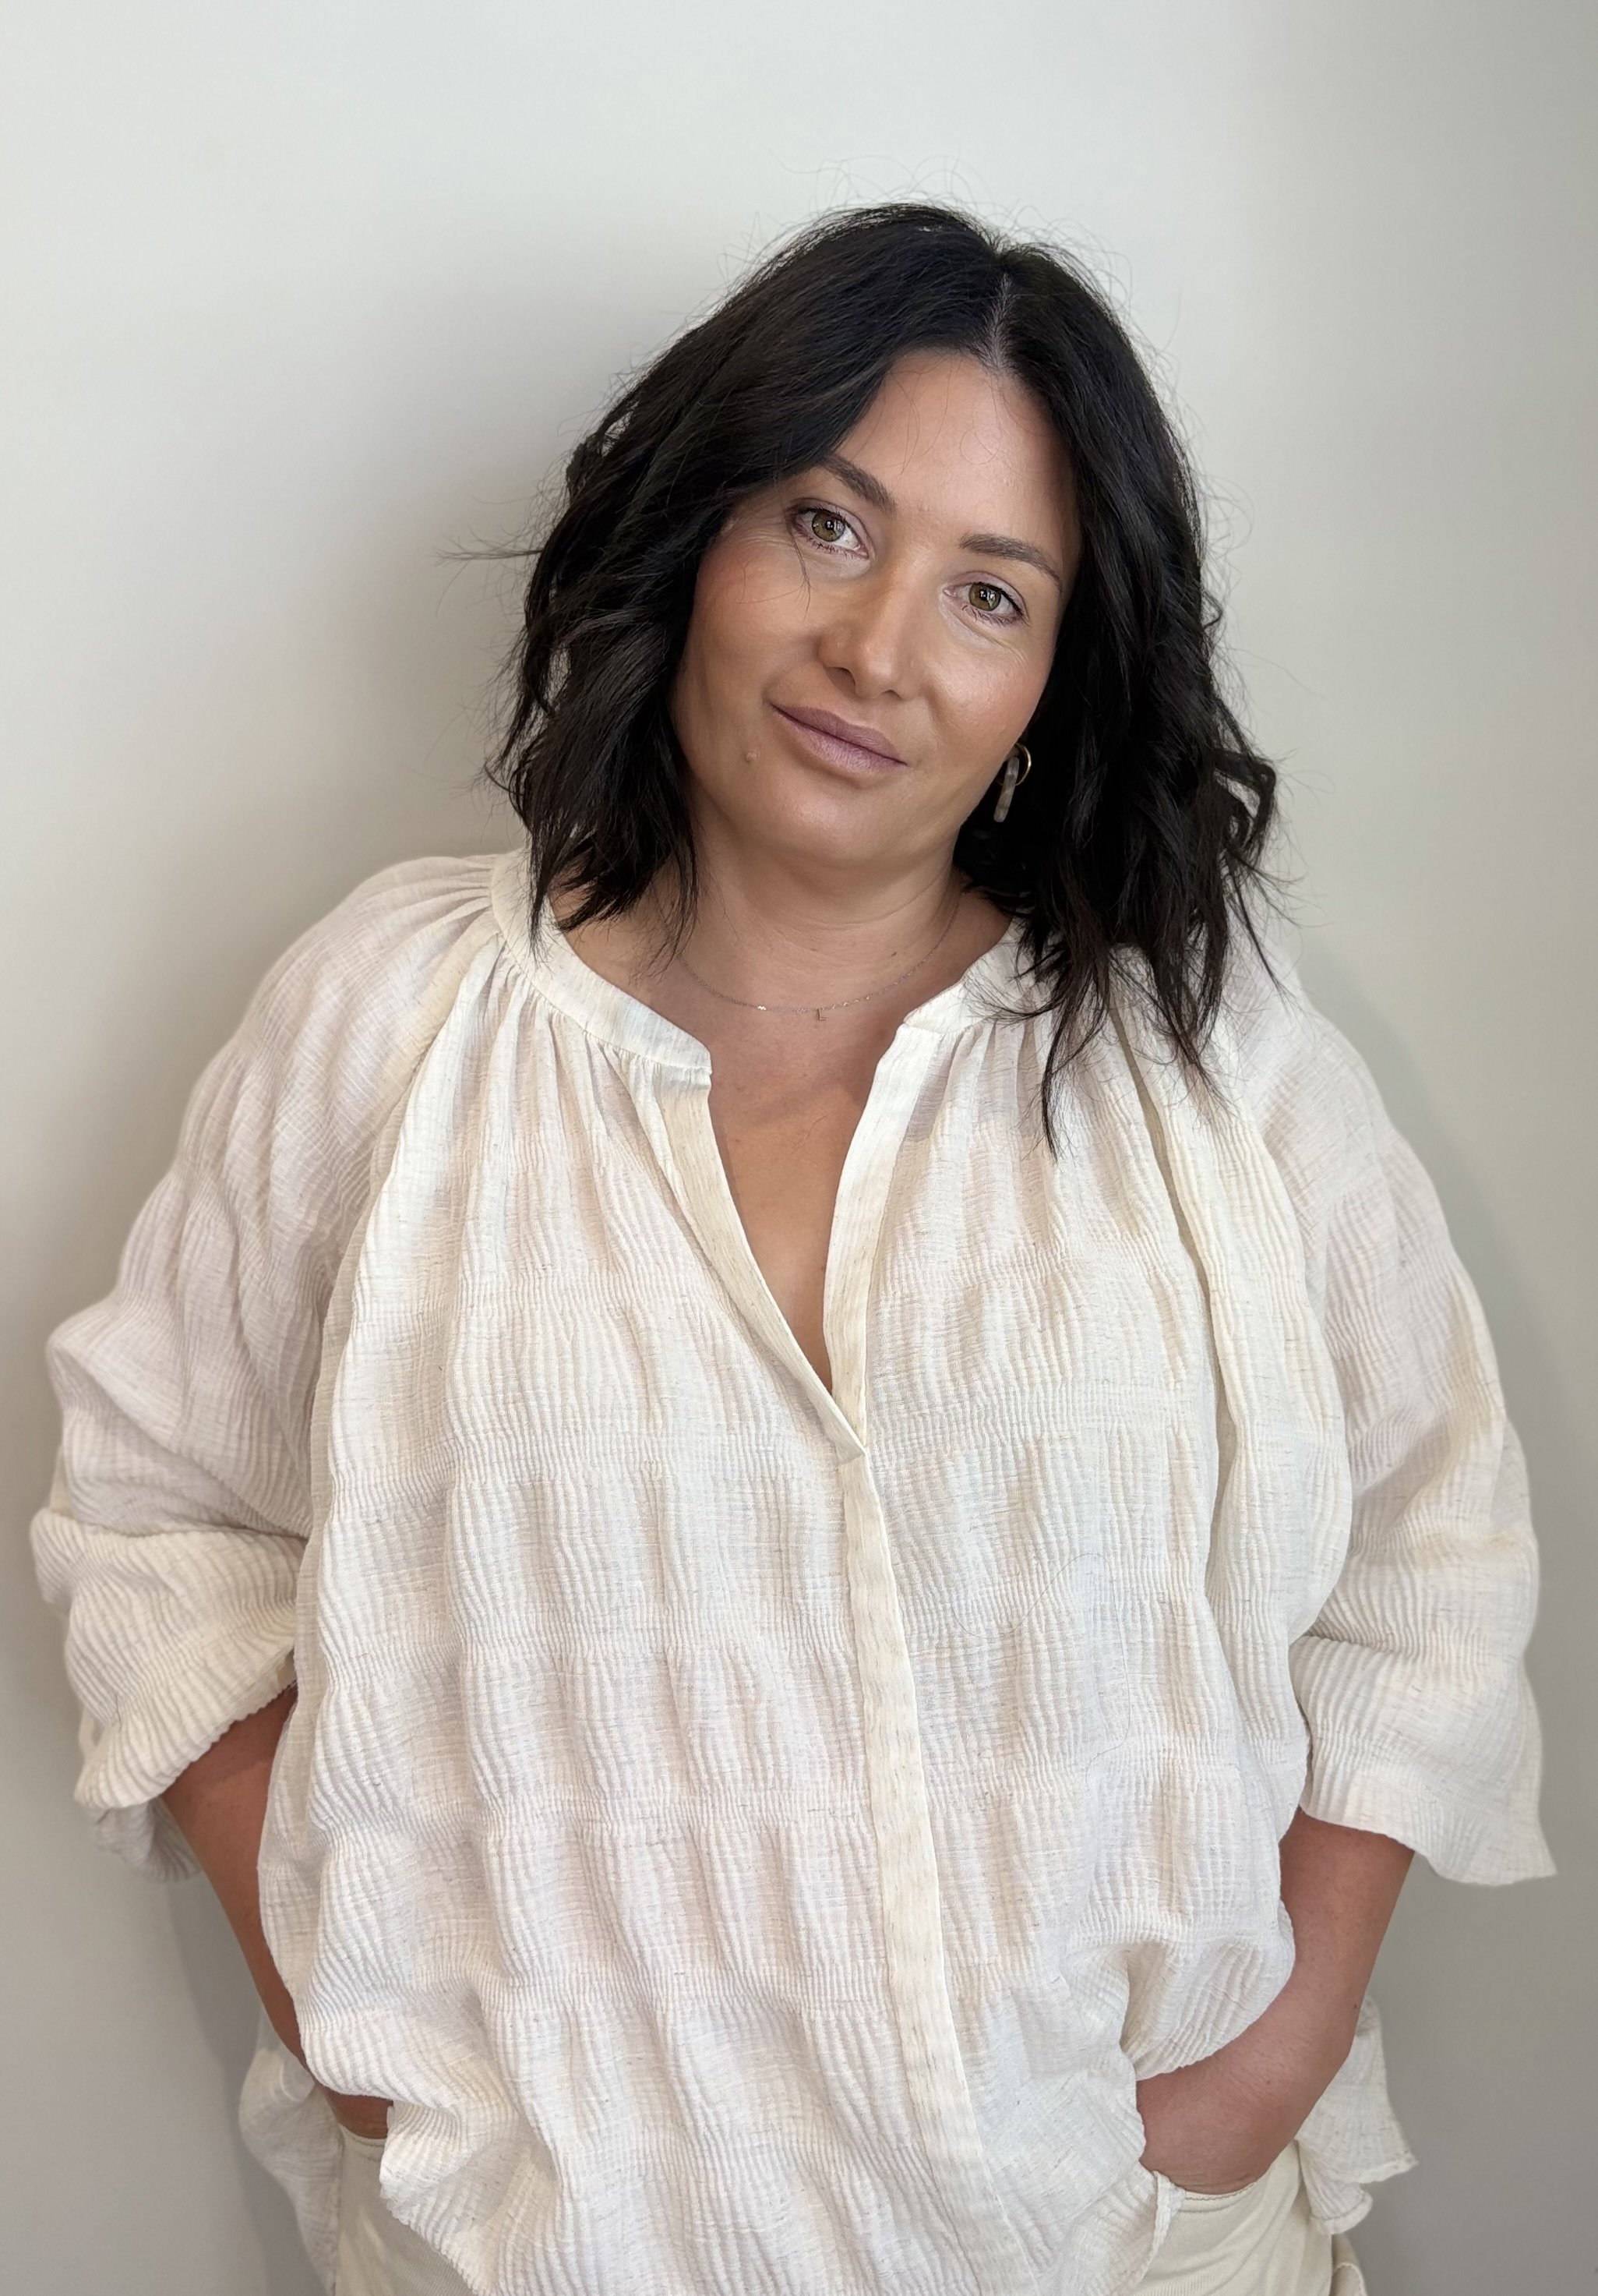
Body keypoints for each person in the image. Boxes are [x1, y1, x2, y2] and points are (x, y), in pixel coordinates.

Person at [29, 202, 1552, 2296]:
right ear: (700, 532)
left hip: (1119, 2248)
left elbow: (1428, 1537)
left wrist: (1263, 2060)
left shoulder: (1200, 1053)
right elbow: (160, 1506)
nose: (879, 649)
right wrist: (343, 1999)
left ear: (1051, 675)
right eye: (828, 527)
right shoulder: (392, 1020)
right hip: (533, 2242)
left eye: (987, 591)